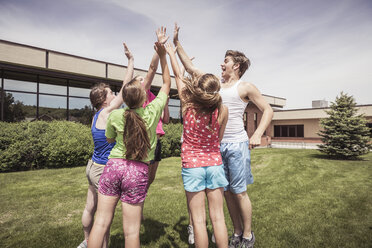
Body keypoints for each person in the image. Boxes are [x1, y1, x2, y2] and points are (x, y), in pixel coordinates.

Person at [174, 23, 274, 248]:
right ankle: (236, 232)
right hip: (215, 147)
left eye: (226, 61)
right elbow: (189, 67)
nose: (221, 63)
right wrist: (177, 43)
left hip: (237, 144)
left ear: (236, 65)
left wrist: (257, 133)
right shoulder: (214, 84)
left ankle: (248, 236)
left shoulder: (245, 86)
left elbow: (268, 110)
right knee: (226, 193)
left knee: (239, 193)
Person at [87, 29, 171, 248]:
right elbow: (166, 84)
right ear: (144, 97)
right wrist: (163, 55)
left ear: (124, 97)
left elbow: (109, 139)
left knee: (101, 223)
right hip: (137, 171)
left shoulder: (113, 115)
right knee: (132, 232)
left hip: (113, 166)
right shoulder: (152, 113)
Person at [165, 39, 229, 248]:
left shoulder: (188, 104)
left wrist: (170, 53)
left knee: (199, 221)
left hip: (192, 166)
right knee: (218, 218)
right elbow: (218, 139)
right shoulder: (223, 110)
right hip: (215, 163)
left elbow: (177, 74)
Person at [78, 43, 134, 248]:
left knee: (89, 208)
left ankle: (85, 241)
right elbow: (126, 85)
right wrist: (130, 61)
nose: (114, 95)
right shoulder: (106, 112)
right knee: (104, 217)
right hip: (102, 169)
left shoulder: (95, 117)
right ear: (103, 100)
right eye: (111, 93)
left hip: (91, 166)